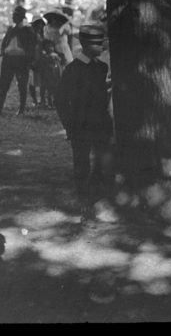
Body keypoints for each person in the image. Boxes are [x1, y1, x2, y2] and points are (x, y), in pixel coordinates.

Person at [56, 24, 113, 217]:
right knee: (81, 163)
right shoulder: (72, 70)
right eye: (98, 44)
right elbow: (61, 101)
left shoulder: (101, 67)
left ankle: (96, 197)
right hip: (79, 125)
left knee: (101, 161)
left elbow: (98, 93)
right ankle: (83, 200)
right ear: (86, 45)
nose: (102, 47)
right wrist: (69, 126)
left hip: (100, 123)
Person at [0, 5, 37, 116]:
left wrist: (29, 60)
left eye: (15, 15)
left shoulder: (27, 30)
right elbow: (5, 41)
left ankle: (21, 110)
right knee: (4, 85)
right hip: (9, 59)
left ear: (21, 17)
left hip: (21, 60)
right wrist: (3, 51)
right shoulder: (12, 29)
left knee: (22, 85)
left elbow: (31, 46)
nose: (13, 17)